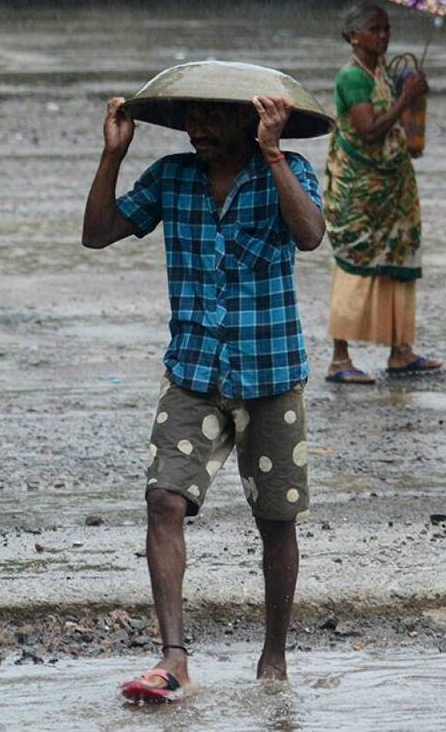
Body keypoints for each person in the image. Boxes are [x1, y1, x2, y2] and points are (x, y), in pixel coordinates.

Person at [82, 87, 326, 702]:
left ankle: (274, 657)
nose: (198, 127)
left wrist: (272, 154)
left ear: (251, 121)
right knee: (163, 500)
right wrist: (112, 155)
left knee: (276, 519)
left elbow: (311, 235)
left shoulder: (289, 169)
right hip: (193, 370)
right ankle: (173, 660)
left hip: (271, 374)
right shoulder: (172, 177)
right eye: (193, 116)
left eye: (213, 116)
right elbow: (98, 233)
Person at [323, 2, 442, 384]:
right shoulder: (352, 78)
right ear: (354, 35)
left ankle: (400, 351)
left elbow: (394, 127)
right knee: (356, 264)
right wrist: (406, 97)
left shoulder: (380, 74)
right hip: (361, 189)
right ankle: (340, 358)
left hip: (392, 184)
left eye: (387, 29)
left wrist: (410, 98)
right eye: (375, 29)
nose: (383, 36)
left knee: (399, 259)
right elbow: (370, 131)